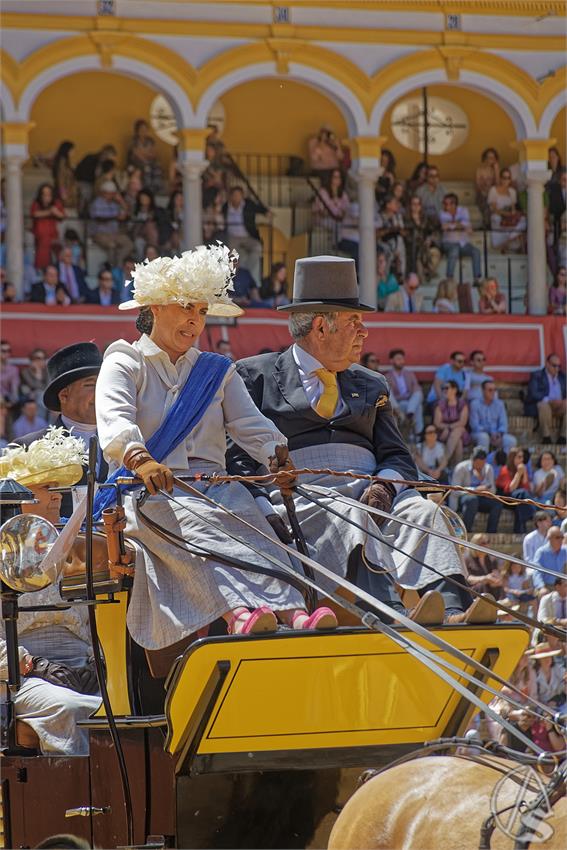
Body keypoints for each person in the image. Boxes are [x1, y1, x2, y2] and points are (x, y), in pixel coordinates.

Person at [228, 254, 494, 626]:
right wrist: (264, 510)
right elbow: (237, 459)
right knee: (349, 512)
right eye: (354, 322)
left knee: (424, 513)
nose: (364, 332)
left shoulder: (372, 383)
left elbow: (397, 456)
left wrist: (385, 487)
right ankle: (388, 610)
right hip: (300, 495)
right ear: (321, 327)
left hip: (371, 491)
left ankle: (453, 610)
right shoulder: (253, 375)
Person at [97, 245, 334, 650]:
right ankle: (237, 614)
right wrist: (141, 459)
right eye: (185, 307)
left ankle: (295, 612)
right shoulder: (124, 361)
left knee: (256, 529)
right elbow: (114, 419)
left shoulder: (217, 370)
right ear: (155, 308)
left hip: (218, 487)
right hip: (150, 492)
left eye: (202, 311)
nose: (195, 319)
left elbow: (250, 424)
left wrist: (276, 455)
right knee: (198, 529)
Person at [0, 440, 101, 755]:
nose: (57, 495)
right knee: (69, 707)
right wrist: (31, 665)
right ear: (17, 497)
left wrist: (96, 661)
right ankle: (74, 782)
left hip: (84, 669)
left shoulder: (77, 550)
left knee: (126, 703)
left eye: (58, 488)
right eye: (46, 487)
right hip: (21, 675)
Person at [15, 342, 104, 516]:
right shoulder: (28, 448)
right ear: (64, 395)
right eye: (90, 385)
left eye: (104, 383)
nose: (101, 391)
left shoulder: (120, 443)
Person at [222, 186, 269, 287]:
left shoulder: (248, 204)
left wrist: (266, 212)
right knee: (233, 256)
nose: (237, 198)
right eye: (235, 195)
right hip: (232, 237)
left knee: (257, 247)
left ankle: (251, 277)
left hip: (247, 236)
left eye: (239, 195)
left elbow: (258, 208)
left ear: (242, 196)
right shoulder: (226, 206)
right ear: (231, 196)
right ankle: (234, 283)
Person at [451, 447, 502, 533]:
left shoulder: (488, 468)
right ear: (472, 460)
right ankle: (466, 531)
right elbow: (454, 490)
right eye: (478, 464)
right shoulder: (461, 468)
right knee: (472, 500)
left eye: (482, 463)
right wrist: (474, 490)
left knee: (497, 503)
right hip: (464, 497)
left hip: (481, 497)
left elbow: (493, 491)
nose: (480, 466)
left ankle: (491, 532)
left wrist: (482, 480)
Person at [89, 182, 134, 267]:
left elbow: (127, 215)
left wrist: (121, 201)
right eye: (109, 193)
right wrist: (115, 217)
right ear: (103, 192)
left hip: (115, 233)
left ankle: (119, 265)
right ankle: (112, 268)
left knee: (129, 244)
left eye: (113, 193)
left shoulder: (114, 204)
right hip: (100, 234)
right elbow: (98, 218)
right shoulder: (97, 203)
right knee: (112, 246)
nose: (112, 195)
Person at [439, 193, 482, 283]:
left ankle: (477, 279)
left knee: (476, 252)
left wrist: (453, 225)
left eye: (447, 204)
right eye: (444, 203)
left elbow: (467, 226)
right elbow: (444, 227)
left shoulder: (463, 210)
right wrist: (460, 225)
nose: (445, 206)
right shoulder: (442, 213)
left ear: (454, 204)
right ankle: (449, 279)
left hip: (463, 243)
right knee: (454, 250)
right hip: (448, 243)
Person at [524, 354, 566, 444]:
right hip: (545, 405)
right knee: (543, 405)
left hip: (559, 405)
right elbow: (533, 393)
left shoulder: (562, 377)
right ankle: (546, 437)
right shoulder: (537, 375)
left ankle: (563, 437)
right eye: (554, 365)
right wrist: (549, 400)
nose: (557, 369)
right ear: (547, 364)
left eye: (559, 366)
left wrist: (563, 401)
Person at [469, 379, 516, 453]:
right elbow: (474, 425)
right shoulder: (475, 404)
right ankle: (482, 460)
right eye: (490, 390)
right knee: (484, 437)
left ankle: (503, 460)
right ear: (483, 391)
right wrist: (490, 434)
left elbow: (503, 423)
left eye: (494, 390)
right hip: (479, 433)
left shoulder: (500, 404)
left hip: (496, 434)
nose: (493, 393)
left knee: (511, 441)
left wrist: (499, 434)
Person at [495, 447, 534, 534]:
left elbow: (527, 488)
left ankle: (519, 531)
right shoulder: (504, 469)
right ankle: (533, 513)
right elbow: (510, 489)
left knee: (521, 502)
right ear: (513, 458)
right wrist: (518, 474)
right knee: (522, 494)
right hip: (505, 498)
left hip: (518, 499)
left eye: (522, 457)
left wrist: (524, 473)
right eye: (519, 457)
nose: (522, 460)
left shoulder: (522, 469)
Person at [386, 348, 423, 438]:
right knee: (388, 392)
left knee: (418, 393)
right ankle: (417, 434)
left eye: (402, 359)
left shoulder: (409, 374)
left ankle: (410, 414)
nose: (401, 361)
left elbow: (416, 388)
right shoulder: (387, 376)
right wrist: (396, 408)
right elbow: (389, 395)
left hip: (411, 402)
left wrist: (413, 400)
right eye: (398, 359)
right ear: (392, 361)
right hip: (398, 404)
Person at [488, 168, 526, 252]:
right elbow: (494, 209)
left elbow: (513, 208)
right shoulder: (493, 190)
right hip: (498, 216)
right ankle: (508, 240)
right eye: (504, 178)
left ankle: (506, 242)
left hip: (509, 217)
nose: (506, 180)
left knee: (524, 220)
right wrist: (506, 214)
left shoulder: (512, 192)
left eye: (508, 178)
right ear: (500, 178)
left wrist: (513, 214)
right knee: (496, 218)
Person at [404, 194, 441, 281]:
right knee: (419, 255)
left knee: (435, 252)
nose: (416, 206)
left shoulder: (425, 218)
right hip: (411, 245)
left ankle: (428, 271)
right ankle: (423, 273)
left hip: (425, 245)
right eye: (414, 204)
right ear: (410, 205)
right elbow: (406, 234)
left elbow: (434, 231)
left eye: (418, 204)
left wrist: (429, 239)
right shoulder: (405, 218)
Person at [433, 380, 469, 466]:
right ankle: (456, 468)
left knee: (458, 430)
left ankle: (443, 464)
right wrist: (447, 428)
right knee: (458, 441)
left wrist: (448, 428)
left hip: (456, 431)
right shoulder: (440, 404)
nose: (444, 390)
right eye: (443, 388)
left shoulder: (462, 404)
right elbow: (437, 423)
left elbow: (462, 422)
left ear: (454, 390)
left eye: (447, 388)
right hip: (443, 433)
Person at [30, 183, 65, 269]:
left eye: (49, 194)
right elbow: (34, 214)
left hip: (53, 235)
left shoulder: (56, 203)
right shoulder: (36, 203)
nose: (46, 196)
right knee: (43, 253)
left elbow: (62, 216)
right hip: (40, 235)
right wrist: (50, 212)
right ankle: (42, 269)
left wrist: (55, 211)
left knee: (58, 254)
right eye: (44, 194)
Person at [127, 119, 163, 193]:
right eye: (142, 129)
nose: (144, 131)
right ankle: (147, 190)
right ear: (137, 131)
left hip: (150, 162)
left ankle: (156, 189)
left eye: (145, 129)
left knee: (157, 167)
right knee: (146, 168)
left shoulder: (150, 140)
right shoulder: (134, 141)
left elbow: (154, 154)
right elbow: (137, 154)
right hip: (136, 164)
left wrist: (144, 153)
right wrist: (147, 154)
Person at [464, 534, 503, 599]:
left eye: (488, 542)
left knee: (497, 586)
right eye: (483, 543)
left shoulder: (492, 559)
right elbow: (467, 578)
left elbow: (496, 574)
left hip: (489, 589)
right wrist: (484, 578)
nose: (486, 545)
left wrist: (496, 580)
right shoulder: (467, 559)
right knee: (482, 586)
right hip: (473, 589)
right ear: (475, 544)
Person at [532, 526, 567, 596]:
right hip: (547, 586)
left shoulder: (565, 551)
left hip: (563, 586)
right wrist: (541, 587)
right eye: (557, 537)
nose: (560, 540)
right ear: (549, 538)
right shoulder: (541, 552)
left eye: (562, 537)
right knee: (543, 593)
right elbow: (537, 572)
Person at [377, 195, 406, 276]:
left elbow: (403, 232)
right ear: (388, 205)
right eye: (395, 203)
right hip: (384, 243)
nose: (397, 205)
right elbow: (377, 234)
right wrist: (389, 230)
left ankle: (400, 275)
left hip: (397, 243)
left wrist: (398, 229)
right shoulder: (380, 216)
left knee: (400, 250)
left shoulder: (398, 216)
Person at [20, 348, 49, 417]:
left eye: (43, 358)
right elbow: (33, 385)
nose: (41, 361)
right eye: (38, 358)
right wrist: (38, 372)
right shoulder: (25, 372)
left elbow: (48, 386)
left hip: (45, 397)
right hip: (29, 397)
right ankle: (41, 422)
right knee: (40, 396)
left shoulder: (47, 371)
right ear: (32, 359)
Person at [475, 148, 500, 228]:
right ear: (485, 158)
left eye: (493, 157)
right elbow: (478, 186)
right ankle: (487, 225)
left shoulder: (496, 171)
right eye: (488, 157)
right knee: (487, 203)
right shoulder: (479, 170)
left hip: (493, 196)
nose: (491, 160)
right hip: (482, 195)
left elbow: (498, 185)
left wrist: (496, 171)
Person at [52, 140, 78, 207]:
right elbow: (61, 179)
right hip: (64, 192)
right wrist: (63, 193)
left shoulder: (65, 161)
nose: (73, 152)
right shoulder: (62, 162)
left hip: (67, 190)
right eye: (72, 150)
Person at [1, 338, 20, 403]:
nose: (7, 353)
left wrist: (13, 400)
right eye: (3, 351)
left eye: (9, 351)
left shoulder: (13, 369)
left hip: (7, 399)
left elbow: (14, 389)